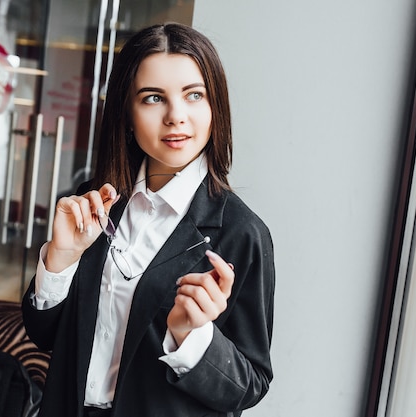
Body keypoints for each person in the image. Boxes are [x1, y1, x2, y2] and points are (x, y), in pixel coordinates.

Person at [21, 22, 275, 417]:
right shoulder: (94, 202)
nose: (176, 116)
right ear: (126, 111)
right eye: (154, 98)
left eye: (194, 95)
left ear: (215, 107)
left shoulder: (241, 232)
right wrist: (60, 258)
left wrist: (192, 335)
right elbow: (44, 334)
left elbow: (250, 385)